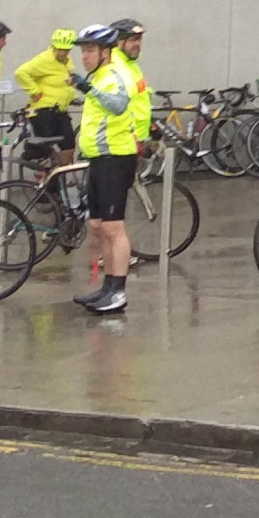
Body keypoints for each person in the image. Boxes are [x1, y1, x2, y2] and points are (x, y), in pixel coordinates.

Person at [69, 23, 147, 313]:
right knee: (98, 225)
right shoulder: (100, 73)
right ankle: (107, 287)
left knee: (114, 227)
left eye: (89, 50)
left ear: (105, 51)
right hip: (99, 157)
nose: (84, 56)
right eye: (83, 51)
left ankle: (118, 291)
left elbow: (117, 105)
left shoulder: (115, 74)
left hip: (116, 157)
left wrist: (86, 87)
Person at [13, 28, 80, 166]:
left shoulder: (66, 61)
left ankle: (55, 176)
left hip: (60, 111)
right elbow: (21, 73)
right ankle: (42, 177)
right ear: (53, 46)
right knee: (45, 149)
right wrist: (34, 91)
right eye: (58, 49)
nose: (61, 52)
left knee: (69, 147)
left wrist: (72, 97)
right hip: (43, 111)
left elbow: (65, 82)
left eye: (65, 50)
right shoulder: (44, 59)